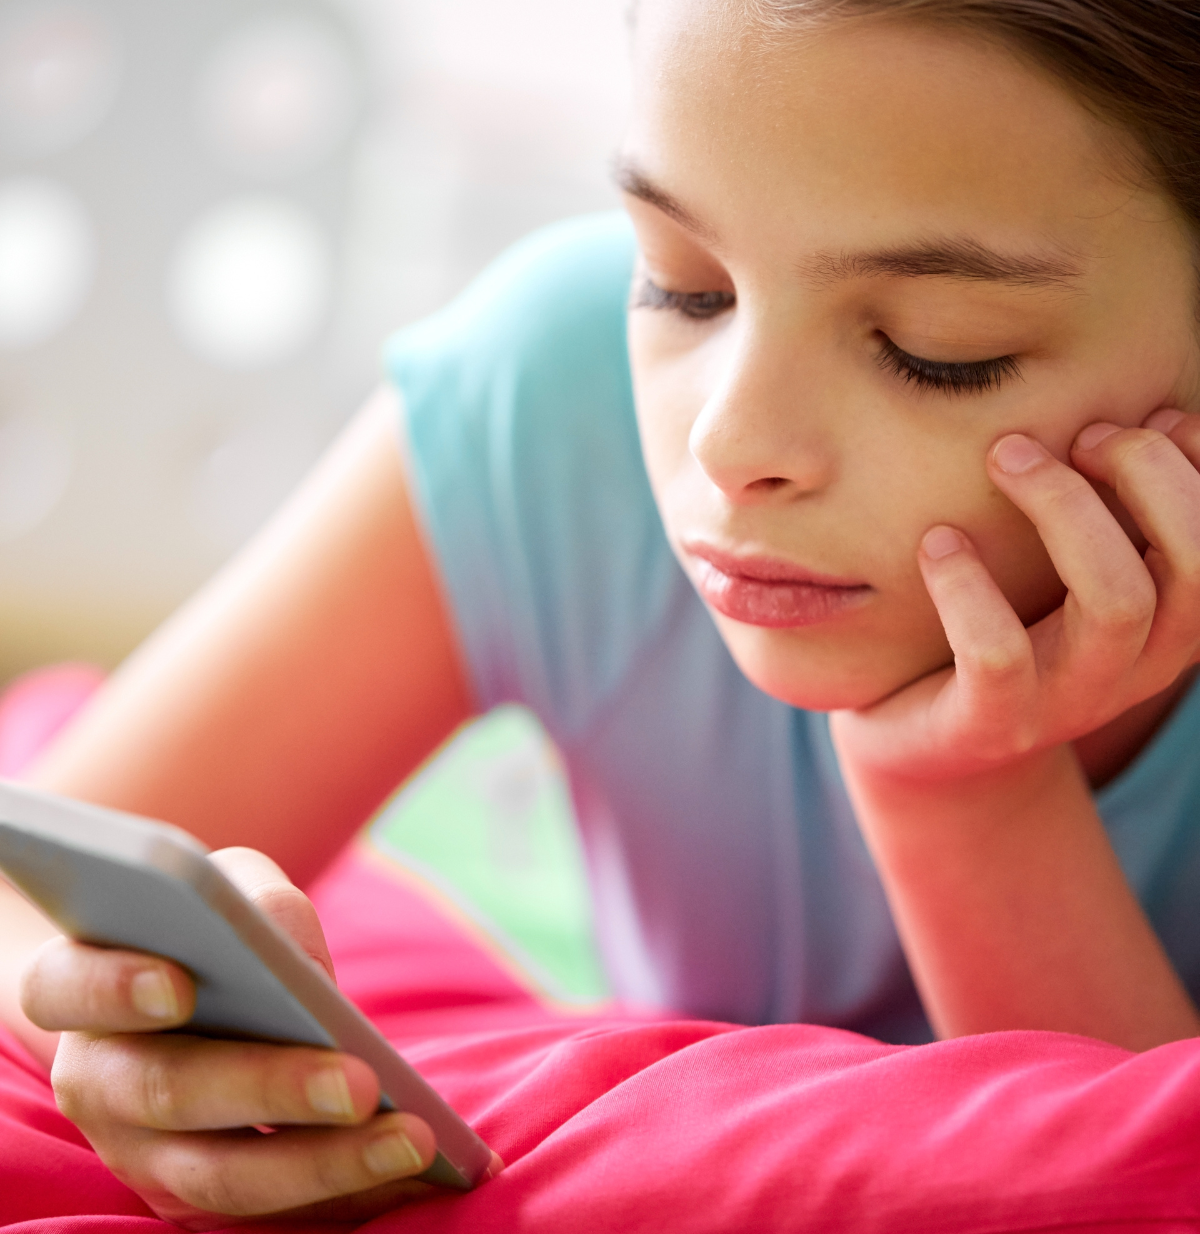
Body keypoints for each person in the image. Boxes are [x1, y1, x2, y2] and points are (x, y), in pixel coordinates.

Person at [3, 0, 1200, 1222]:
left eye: (935, 349)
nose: (730, 443)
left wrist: (965, 797)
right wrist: (124, 1028)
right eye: (682, 285)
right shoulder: (559, 390)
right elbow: (34, 900)